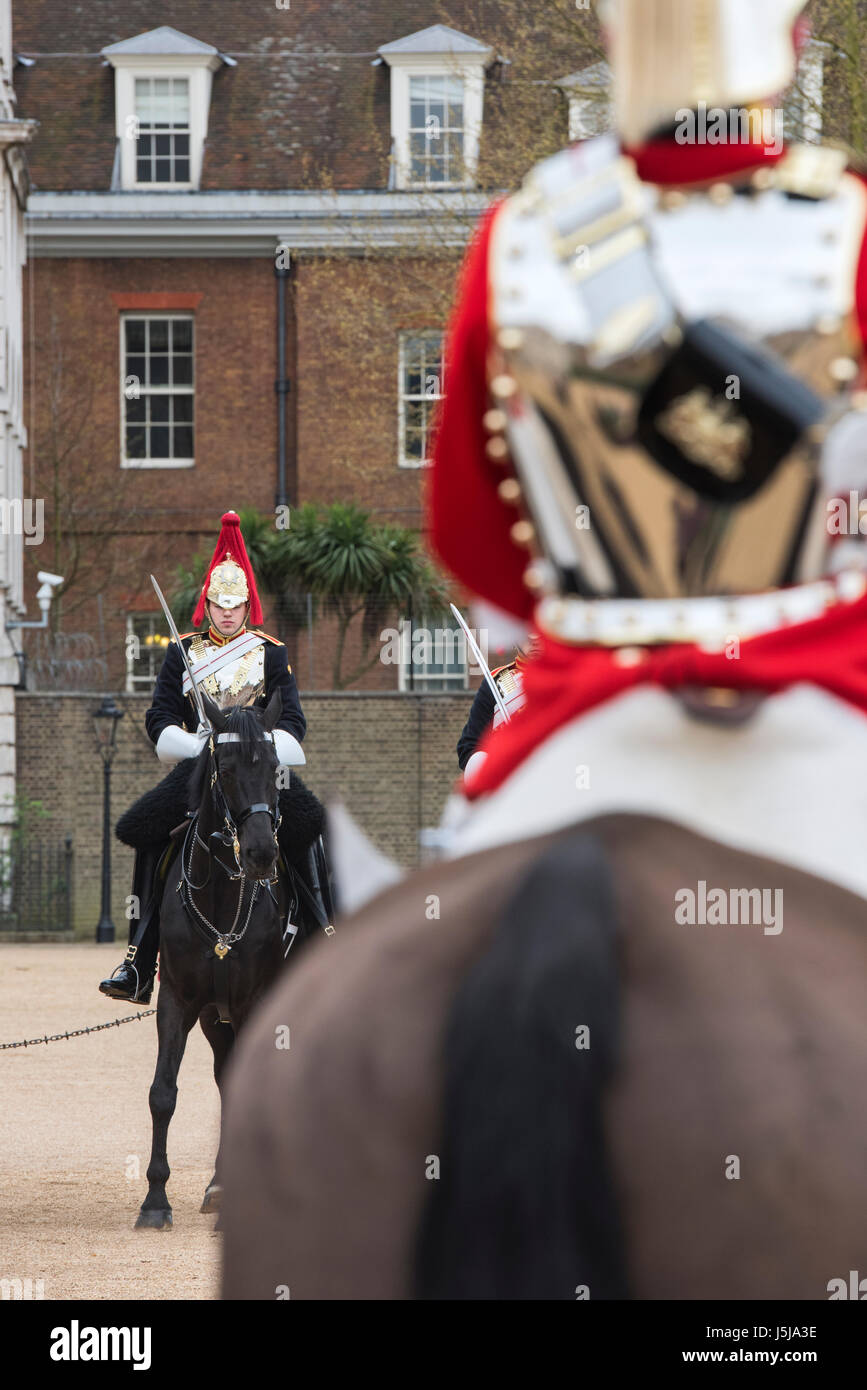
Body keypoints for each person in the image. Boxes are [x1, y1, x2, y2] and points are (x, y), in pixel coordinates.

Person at [220, 0, 867, 1300]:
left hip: (569, 738)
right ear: (784, 41)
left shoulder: (525, 241)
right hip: (821, 710)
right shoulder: (847, 231)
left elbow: (474, 536)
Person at [99, 510, 331, 1005]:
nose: (227, 614)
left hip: (259, 769)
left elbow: (293, 722)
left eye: (236, 606)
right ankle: (139, 959)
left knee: (310, 824)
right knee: (144, 829)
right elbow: (159, 717)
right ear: (207, 604)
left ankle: (321, 935)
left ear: (248, 605)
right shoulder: (181, 651)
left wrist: (264, 749)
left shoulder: (271, 653)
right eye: (219, 606)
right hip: (198, 769)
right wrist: (196, 744)